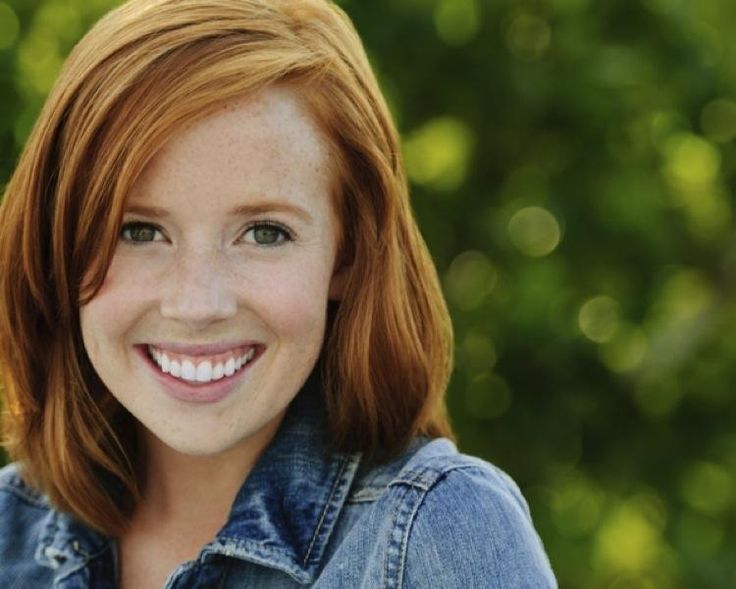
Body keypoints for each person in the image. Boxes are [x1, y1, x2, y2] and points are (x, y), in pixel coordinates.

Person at [0, 0, 557, 587]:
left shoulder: (436, 533)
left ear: (348, 254)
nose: (196, 304)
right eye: (137, 231)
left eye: (265, 233)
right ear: (57, 243)